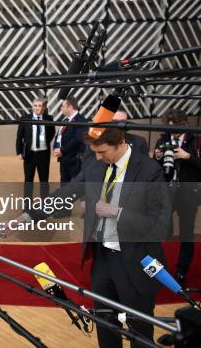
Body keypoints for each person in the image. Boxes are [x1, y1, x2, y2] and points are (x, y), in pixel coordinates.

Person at [13, 127, 170, 348]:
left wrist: (117, 212)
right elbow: (66, 193)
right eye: (94, 152)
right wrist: (27, 216)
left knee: (139, 329)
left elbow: (161, 225)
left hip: (136, 261)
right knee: (105, 323)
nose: (97, 157)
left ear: (120, 142)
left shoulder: (149, 170)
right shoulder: (97, 165)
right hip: (103, 260)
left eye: (102, 151)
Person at [154, 108, 201, 287]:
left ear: (184, 124)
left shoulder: (195, 141)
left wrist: (187, 156)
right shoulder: (163, 139)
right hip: (166, 192)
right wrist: (157, 156)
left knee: (186, 233)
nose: (171, 131)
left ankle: (182, 271)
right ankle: (159, 269)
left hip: (188, 193)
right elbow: (156, 166)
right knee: (161, 230)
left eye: (175, 127)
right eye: (168, 127)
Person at [16, 97, 56, 200]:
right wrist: (19, 152)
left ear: (44, 107)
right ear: (32, 107)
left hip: (43, 155)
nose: (37, 108)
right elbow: (19, 137)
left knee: (44, 182)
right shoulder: (25, 118)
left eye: (40, 106)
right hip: (30, 155)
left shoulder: (49, 119)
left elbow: (52, 133)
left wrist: (44, 142)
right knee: (28, 181)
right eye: (35, 106)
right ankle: (27, 206)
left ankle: (45, 206)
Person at [53, 95, 88, 183]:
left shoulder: (81, 121)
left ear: (70, 107)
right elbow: (58, 136)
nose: (61, 108)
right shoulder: (65, 120)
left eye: (62, 106)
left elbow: (76, 140)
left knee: (75, 187)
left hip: (74, 161)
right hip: (63, 159)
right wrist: (56, 148)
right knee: (64, 185)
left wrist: (62, 150)